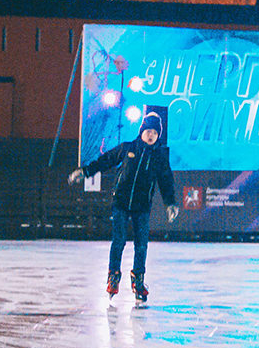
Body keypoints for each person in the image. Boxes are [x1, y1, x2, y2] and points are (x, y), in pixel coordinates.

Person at [69, 111, 178, 303]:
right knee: (118, 240)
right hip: (121, 202)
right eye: (148, 131)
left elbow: (166, 181)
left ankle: (138, 280)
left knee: (141, 244)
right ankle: (113, 276)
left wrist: (170, 203)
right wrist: (85, 172)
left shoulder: (159, 157)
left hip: (142, 206)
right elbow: (106, 160)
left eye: (155, 132)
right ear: (142, 131)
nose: (151, 135)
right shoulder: (128, 148)